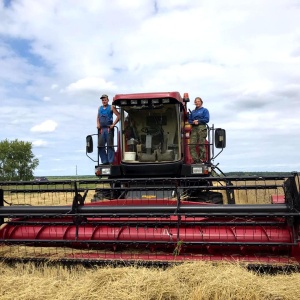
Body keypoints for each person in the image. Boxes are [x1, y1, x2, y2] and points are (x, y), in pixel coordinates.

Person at [97, 94, 120, 164]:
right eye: (103, 100)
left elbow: (118, 115)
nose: (104, 101)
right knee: (100, 146)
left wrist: (113, 124)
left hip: (109, 129)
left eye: (105, 100)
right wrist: (98, 124)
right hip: (101, 129)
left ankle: (110, 161)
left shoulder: (111, 107)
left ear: (108, 100)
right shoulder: (99, 108)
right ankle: (104, 161)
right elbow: (98, 117)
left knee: (110, 145)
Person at [188, 97, 210, 163]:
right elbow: (189, 120)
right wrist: (193, 122)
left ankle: (202, 159)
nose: (197, 102)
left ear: (201, 102)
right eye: (196, 101)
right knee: (191, 145)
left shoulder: (205, 110)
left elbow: (207, 119)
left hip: (202, 128)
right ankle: (196, 160)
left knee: (201, 144)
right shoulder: (193, 112)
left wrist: (198, 121)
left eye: (198, 101)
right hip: (194, 128)